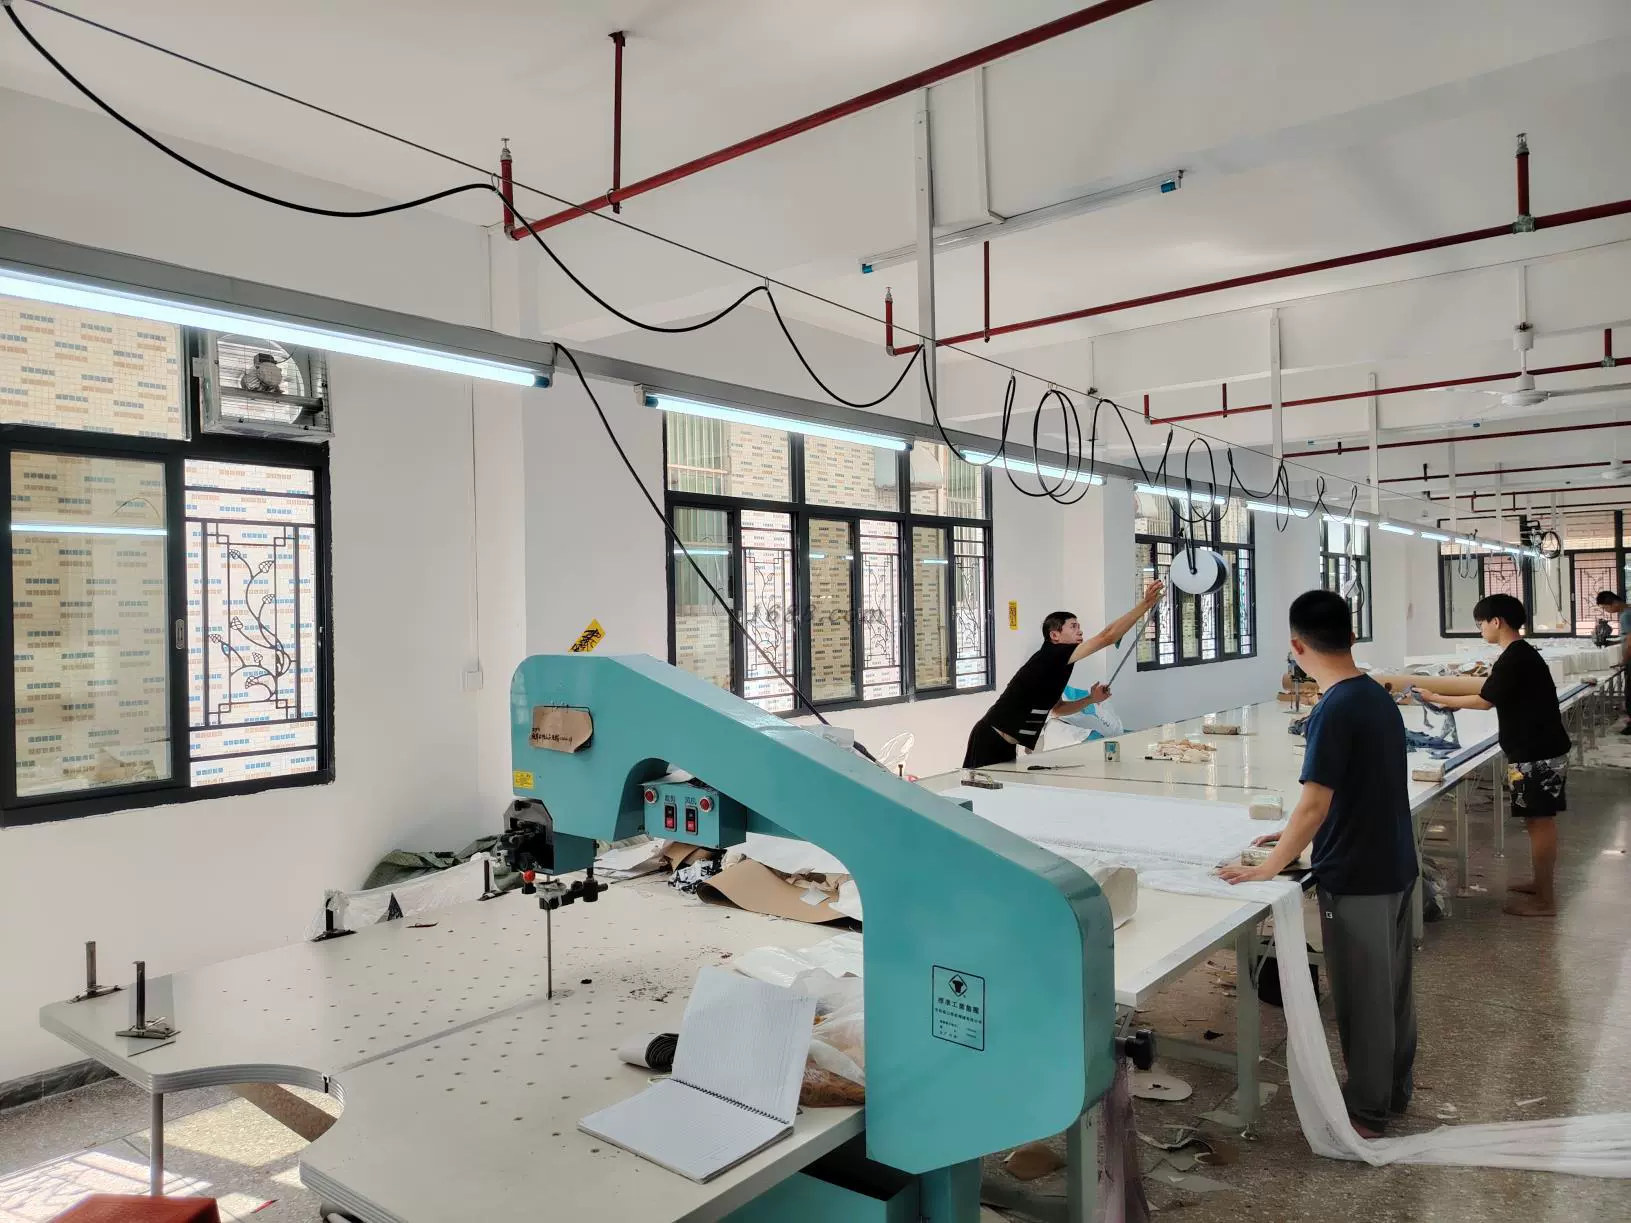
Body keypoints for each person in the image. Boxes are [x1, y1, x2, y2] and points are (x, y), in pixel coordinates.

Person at [1220, 589, 1415, 1139]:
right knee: (1393, 991)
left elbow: (1315, 802)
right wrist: (1289, 834)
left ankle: (1368, 1112)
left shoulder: (1334, 708)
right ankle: (1394, 1091)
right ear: (1351, 636)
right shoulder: (1374, 694)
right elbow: (1360, 785)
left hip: (1358, 875)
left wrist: (1271, 866)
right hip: (1394, 862)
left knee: (1363, 998)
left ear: (1297, 647)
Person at [1416, 594, 1571, 917]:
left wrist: (1439, 698)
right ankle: (1540, 884)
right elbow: (1491, 692)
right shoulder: (1519, 655)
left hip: (1537, 753)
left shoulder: (1514, 658)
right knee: (1535, 820)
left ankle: (1545, 900)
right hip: (1535, 749)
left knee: (1540, 821)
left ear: (1496, 621)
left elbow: (1485, 700)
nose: (1480, 630)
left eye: (1481, 623)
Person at [962, 582, 1164, 769]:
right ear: (1054, 635)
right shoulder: (1052, 654)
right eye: (1073, 626)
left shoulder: (1058, 665)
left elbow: (1058, 710)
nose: (1080, 631)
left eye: (1079, 626)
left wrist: (1091, 699)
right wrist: (1145, 605)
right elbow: (1108, 636)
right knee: (976, 790)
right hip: (989, 738)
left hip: (1005, 743)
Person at [1594, 590, 1631, 735]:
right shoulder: (1629, 611)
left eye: (1606, 607)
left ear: (1614, 603)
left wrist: (1624, 660)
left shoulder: (1625, 616)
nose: (1607, 611)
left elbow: (1630, 641)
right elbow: (1625, 638)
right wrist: (1612, 642)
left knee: (1630, 692)